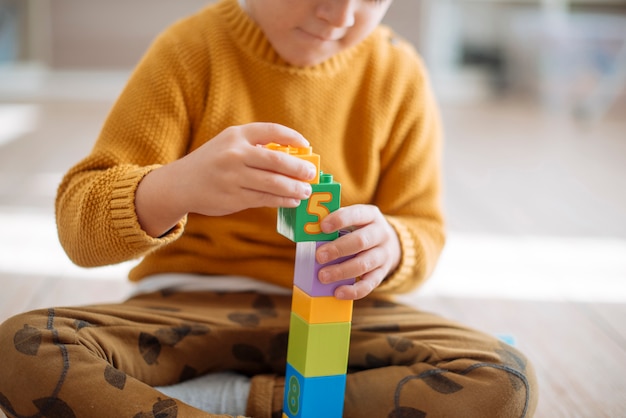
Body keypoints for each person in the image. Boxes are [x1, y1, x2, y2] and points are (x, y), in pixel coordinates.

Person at [0, 0, 538, 417]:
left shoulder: (398, 74)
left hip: (343, 317)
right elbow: (80, 226)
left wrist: (392, 247)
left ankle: (217, 401)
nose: (340, 15)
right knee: (20, 349)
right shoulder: (190, 52)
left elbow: (423, 226)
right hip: (184, 310)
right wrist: (177, 186)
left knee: (504, 377)